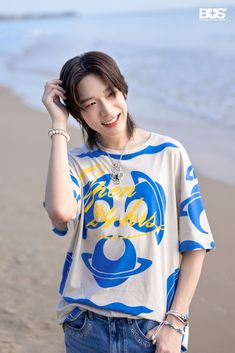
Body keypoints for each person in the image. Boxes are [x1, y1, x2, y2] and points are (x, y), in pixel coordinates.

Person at [42, 51, 216, 353]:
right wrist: (59, 126)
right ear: (78, 112)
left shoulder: (168, 153)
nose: (107, 110)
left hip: (150, 329)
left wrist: (176, 323)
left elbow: (196, 243)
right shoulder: (74, 163)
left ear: (123, 89)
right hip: (86, 326)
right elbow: (60, 212)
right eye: (90, 104)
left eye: (111, 94)